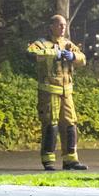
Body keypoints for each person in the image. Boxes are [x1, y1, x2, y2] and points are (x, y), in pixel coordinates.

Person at [25, 14, 87, 171]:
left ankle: (70, 160)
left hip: (67, 92)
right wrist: (54, 53)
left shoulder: (68, 44)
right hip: (49, 92)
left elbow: (83, 59)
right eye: (59, 25)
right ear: (51, 26)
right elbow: (31, 54)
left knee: (70, 124)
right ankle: (48, 160)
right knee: (50, 125)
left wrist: (73, 56)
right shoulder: (41, 43)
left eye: (64, 25)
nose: (63, 28)